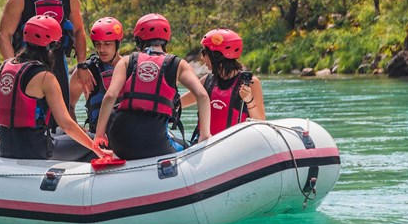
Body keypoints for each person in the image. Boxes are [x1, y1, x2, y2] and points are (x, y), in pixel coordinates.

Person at [0, 15, 111, 160]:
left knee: (59, 132)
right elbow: (67, 124)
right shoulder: (46, 78)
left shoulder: (4, 68)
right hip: (36, 152)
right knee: (93, 141)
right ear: (52, 46)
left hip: (5, 148)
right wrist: (96, 148)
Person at [92, 13, 211, 160]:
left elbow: (110, 96)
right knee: (186, 147)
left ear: (139, 39)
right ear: (165, 39)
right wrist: (205, 135)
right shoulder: (178, 64)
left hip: (119, 140)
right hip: (155, 142)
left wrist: (99, 134)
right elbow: (203, 95)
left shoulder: (127, 61)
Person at [0, 0, 92, 117]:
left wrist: (82, 65)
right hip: (27, 64)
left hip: (58, 63)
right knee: (30, 115)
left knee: (60, 115)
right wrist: (13, 68)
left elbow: (79, 32)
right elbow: (4, 36)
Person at [180, 28, 265, 139]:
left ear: (217, 56)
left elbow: (261, 121)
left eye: (204, 53)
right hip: (203, 147)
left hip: (234, 147)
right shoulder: (207, 81)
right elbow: (179, 103)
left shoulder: (250, 83)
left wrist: (249, 101)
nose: (202, 58)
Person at [68, 17, 123, 133]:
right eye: (97, 44)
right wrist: (79, 131)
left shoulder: (132, 66)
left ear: (118, 43)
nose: (101, 49)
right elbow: (69, 105)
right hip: (98, 136)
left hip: (127, 132)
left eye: (107, 44)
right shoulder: (86, 71)